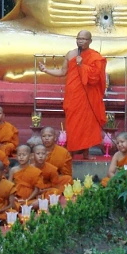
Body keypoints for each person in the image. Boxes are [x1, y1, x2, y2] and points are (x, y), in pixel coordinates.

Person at [38, 31, 106, 159]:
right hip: (73, 94)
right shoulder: (70, 54)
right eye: (78, 38)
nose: (80, 41)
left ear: (90, 41)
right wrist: (46, 70)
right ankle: (71, 151)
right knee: (72, 123)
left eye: (84, 39)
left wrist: (82, 65)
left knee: (86, 123)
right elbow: (63, 71)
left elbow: (96, 77)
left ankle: (86, 153)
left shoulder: (95, 56)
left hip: (87, 95)